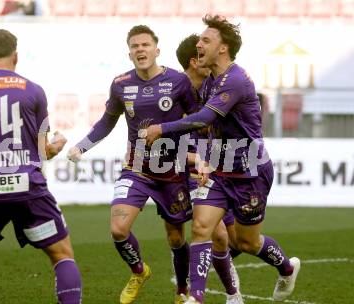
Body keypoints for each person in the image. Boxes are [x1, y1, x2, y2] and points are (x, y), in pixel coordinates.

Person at [143, 15, 301, 304]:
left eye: (205, 40)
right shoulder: (210, 82)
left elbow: (204, 118)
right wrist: (201, 159)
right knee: (203, 228)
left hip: (250, 171)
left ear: (223, 48)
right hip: (220, 169)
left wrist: (162, 128)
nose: (198, 45)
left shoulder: (236, 80)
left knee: (246, 242)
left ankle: (287, 268)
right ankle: (197, 298)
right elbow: (207, 128)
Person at [0, 29, 81, 304]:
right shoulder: (33, 91)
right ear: (16, 56)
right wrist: (54, 148)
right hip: (28, 190)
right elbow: (43, 150)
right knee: (62, 255)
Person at [67, 25, 197, 304]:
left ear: (156, 50)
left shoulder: (178, 81)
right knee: (118, 230)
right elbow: (106, 122)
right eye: (135, 46)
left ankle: (182, 290)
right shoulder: (121, 84)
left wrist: (195, 156)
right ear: (130, 53)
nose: (140, 49)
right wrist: (82, 146)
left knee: (176, 238)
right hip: (136, 167)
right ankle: (139, 271)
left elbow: (196, 120)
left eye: (145, 45)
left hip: (173, 172)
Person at [175, 34, 242, 303]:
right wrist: (195, 161)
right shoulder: (175, 97)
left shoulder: (217, 90)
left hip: (220, 174)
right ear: (195, 61)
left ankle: (232, 293)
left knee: (235, 240)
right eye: (202, 52)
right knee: (215, 234)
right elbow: (166, 148)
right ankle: (204, 293)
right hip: (191, 176)